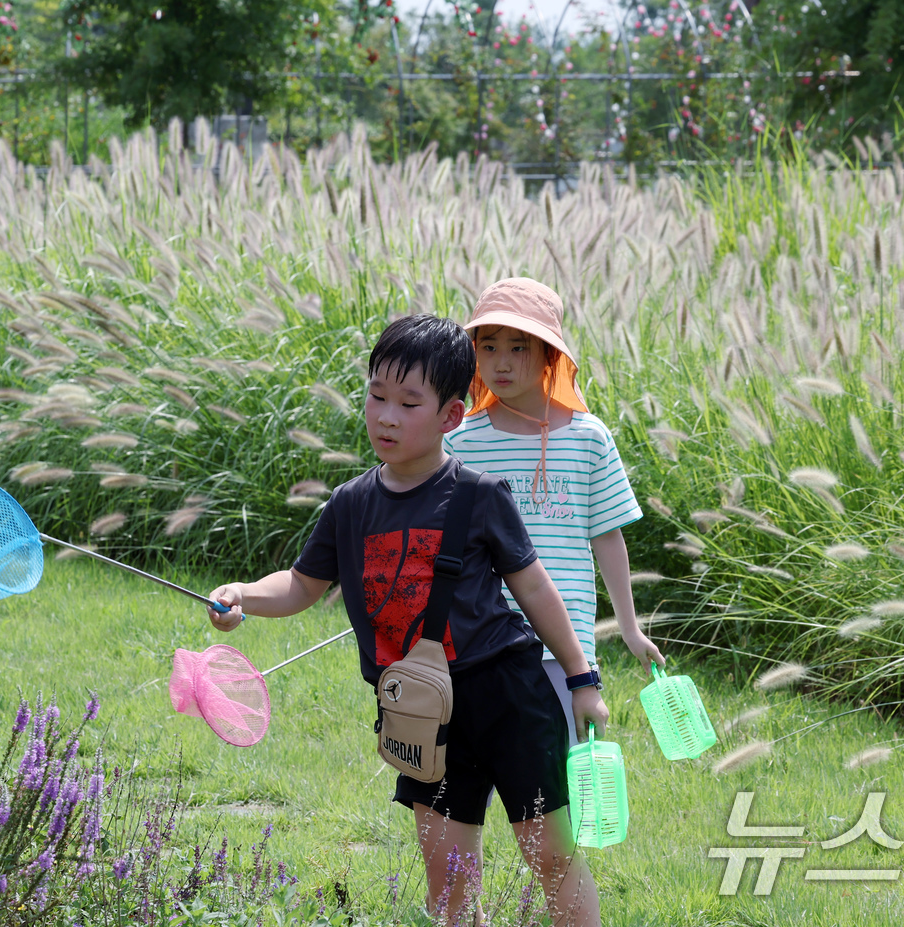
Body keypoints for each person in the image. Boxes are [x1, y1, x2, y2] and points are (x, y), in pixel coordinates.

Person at [205, 314, 607, 926]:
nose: (386, 416)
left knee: (548, 854)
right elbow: (301, 584)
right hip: (418, 711)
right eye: (376, 396)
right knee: (448, 878)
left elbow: (533, 587)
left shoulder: (478, 496)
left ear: (450, 416)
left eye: (408, 403)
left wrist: (581, 679)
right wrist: (243, 595)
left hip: (505, 694)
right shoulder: (349, 505)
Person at [444, 277, 665, 745]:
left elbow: (607, 537)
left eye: (519, 347)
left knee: (559, 784)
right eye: (488, 347)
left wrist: (629, 629)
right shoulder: (459, 441)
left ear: (549, 354)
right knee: (469, 783)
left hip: (565, 652)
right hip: (477, 644)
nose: (501, 362)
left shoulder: (589, 438)